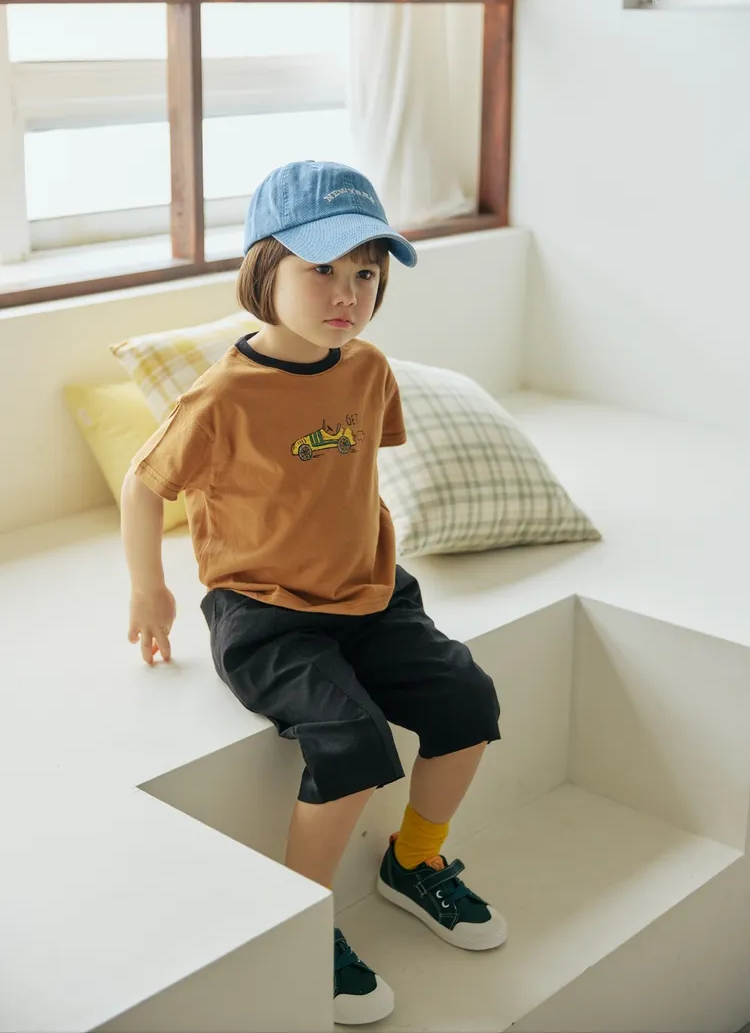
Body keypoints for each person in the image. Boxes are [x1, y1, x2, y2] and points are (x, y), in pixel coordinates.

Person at [121, 160, 506, 1026]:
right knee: (354, 740)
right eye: (321, 268)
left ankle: (413, 860)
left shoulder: (368, 369)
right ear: (265, 268)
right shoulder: (223, 394)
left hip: (370, 593)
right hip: (265, 610)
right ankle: (303, 919)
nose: (347, 293)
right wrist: (150, 590)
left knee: (468, 700)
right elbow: (144, 483)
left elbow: (349, 474)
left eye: (366, 273)